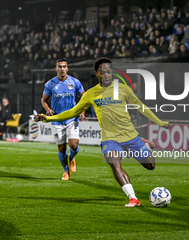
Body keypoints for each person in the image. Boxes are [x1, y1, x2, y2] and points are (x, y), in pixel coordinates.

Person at [36, 57, 170, 207]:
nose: (107, 75)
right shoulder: (91, 94)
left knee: (150, 166)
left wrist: (159, 122)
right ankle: (133, 198)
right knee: (114, 163)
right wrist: (48, 118)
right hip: (109, 138)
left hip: (130, 136)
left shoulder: (123, 88)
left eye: (109, 72)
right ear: (97, 74)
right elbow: (72, 112)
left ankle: (143, 143)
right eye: (103, 72)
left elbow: (140, 106)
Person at [41, 58, 85, 180]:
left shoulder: (75, 82)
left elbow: (84, 97)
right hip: (57, 119)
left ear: (67, 68)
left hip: (72, 118)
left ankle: (72, 157)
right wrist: (48, 109)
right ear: (56, 69)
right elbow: (43, 100)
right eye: (59, 67)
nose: (62, 69)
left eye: (64, 66)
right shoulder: (50, 84)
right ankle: (66, 171)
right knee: (61, 148)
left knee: (74, 145)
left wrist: (82, 110)